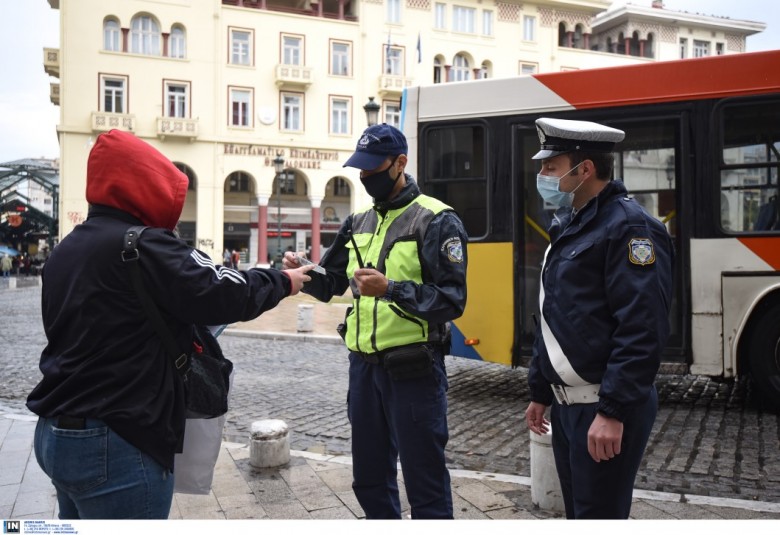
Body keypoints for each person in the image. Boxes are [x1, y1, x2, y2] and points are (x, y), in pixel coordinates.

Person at [26, 129, 314, 520]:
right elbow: (222, 288)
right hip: (118, 436)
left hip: (55, 434)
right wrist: (283, 281)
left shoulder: (67, 249)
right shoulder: (142, 244)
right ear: (145, 185)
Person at [283, 123, 468, 519]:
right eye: (360, 169)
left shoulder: (436, 219)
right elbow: (333, 281)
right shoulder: (358, 220)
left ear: (400, 163)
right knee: (369, 477)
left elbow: (452, 301)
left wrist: (390, 289)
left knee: (425, 481)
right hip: (363, 370)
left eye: (373, 168)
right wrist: (300, 273)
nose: (365, 176)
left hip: (414, 369)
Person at [524, 117, 674, 519]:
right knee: (580, 515)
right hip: (569, 407)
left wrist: (612, 411)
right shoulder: (572, 225)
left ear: (584, 169)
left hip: (602, 408)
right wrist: (541, 390)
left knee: (598, 516)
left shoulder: (629, 227)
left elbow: (642, 328)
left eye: (550, 167)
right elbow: (553, 314)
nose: (542, 176)